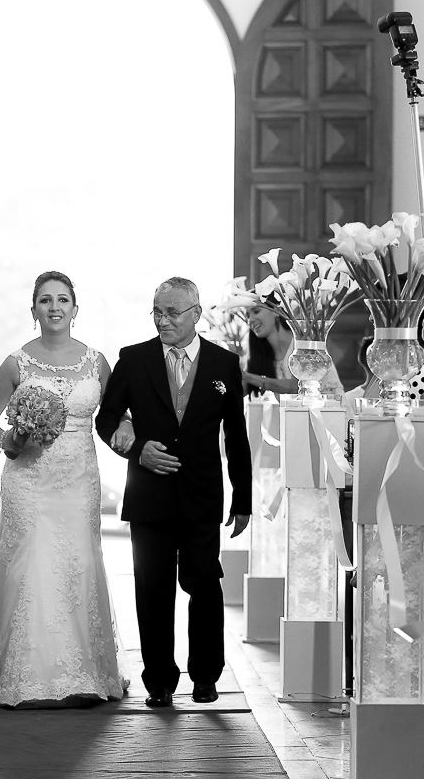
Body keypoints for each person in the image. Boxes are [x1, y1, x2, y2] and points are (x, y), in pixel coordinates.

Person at [0, 271, 128, 707]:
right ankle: (27, 670)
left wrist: (130, 433)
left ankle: (83, 669)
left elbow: (116, 416)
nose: (54, 307)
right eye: (44, 300)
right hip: (28, 478)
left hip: (79, 479)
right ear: (33, 309)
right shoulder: (16, 362)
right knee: (30, 562)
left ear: (76, 308)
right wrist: (7, 438)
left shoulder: (97, 362)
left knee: (77, 560)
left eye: (62, 300)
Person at [96, 276, 252, 708]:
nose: (163, 320)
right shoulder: (134, 359)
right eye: (157, 312)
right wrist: (136, 450)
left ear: (196, 314)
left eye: (172, 312)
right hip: (149, 497)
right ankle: (159, 681)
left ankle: (205, 676)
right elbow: (106, 420)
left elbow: (236, 437)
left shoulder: (223, 364)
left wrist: (243, 499)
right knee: (153, 588)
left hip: (203, 495)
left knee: (205, 583)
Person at [241, 304, 343, 396]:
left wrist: (248, 377)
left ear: (275, 311)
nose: (250, 320)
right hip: (295, 414)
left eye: (256, 311)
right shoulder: (259, 353)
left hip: (330, 410)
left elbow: (297, 386)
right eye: (248, 315)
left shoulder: (304, 341)